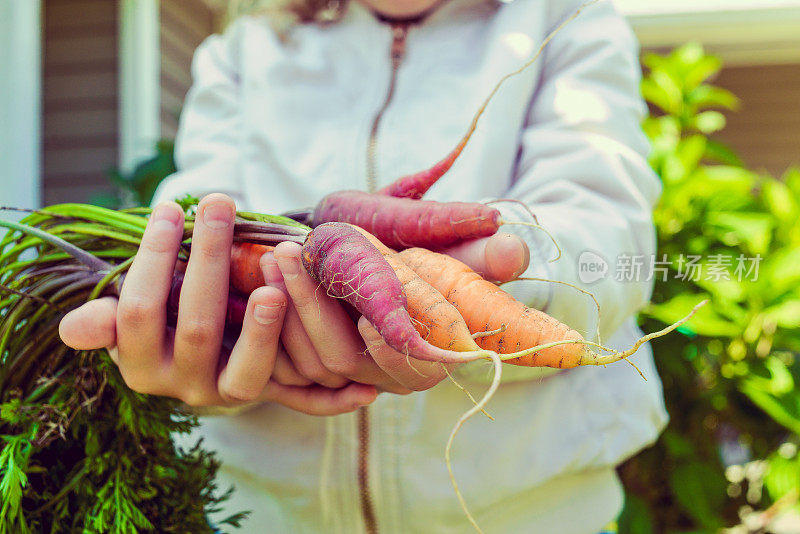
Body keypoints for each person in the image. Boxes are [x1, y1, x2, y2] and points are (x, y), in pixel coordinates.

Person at [59, 0, 668, 531]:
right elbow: (206, 234)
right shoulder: (248, 49)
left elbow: (604, 234)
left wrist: (507, 293)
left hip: (529, 519)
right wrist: (197, 346)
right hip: (269, 518)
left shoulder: (561, 21)